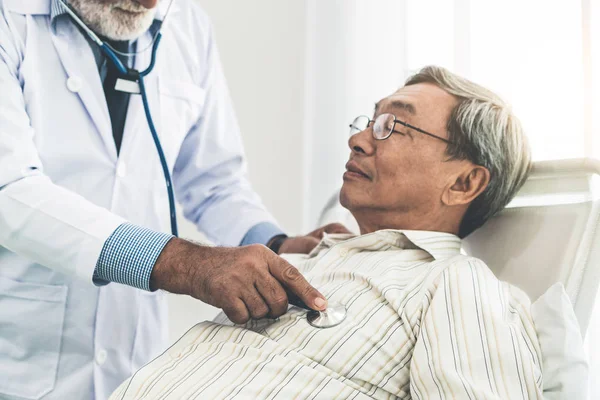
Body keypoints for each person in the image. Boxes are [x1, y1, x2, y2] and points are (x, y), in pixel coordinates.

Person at [110, 66, 544, 400]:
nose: (358, 139)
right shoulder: (310, 260)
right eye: (369, 121)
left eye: (393, 127)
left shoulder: (453, 283)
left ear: (464, 184)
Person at [0, 0, 346, 398]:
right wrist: (183, 263)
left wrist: (276, 244)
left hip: (134, 359)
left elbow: (214, 180)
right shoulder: (10, 20)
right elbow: (9, 190)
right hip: (21, 358)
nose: (151, 4)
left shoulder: (186, 25)